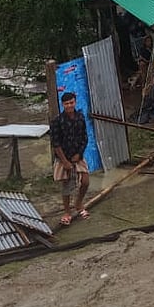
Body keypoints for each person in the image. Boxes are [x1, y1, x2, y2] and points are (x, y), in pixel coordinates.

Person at [50, 92, 90, 227]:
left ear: (75, 102)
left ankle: (78, 204)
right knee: (67, 185)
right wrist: (65, 162)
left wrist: (79, 153)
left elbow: (85, 138)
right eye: (66, 104)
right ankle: (67, 212)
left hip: (77, 156)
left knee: (85, 181)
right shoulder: (57, 121)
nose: (69, 106)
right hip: (64, 157)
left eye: (71, 103)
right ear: (63, 105)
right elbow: (56, 144)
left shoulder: (80, 117)